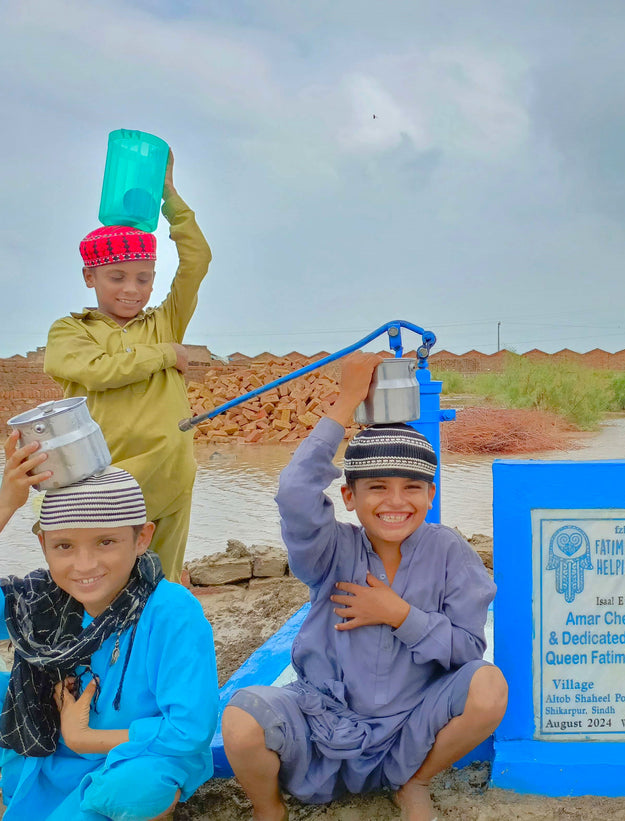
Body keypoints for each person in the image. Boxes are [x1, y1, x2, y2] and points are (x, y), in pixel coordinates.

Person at [221, 352, 508, 821]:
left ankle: (415, 781)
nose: (396, 502)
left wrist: (400, 616)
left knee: (489, 687)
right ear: (349, 497)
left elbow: (467, 651)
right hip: (323, 723)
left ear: (430, 494)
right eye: (377, 487)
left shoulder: (450, 551)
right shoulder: (329, 551)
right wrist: (347, 400)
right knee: (241, 716)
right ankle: (268, 809)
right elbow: (294, 493)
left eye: (412, 488)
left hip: (412, 727)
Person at [0, 431, 219, 820]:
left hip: (130, 760)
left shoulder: (170, 610)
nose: (84, 566)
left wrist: (84, 737)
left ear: (141, 538)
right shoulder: (41, 599)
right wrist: (6, 503)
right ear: (44, 546)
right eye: (64, 546)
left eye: (106, 542)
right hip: (53, 752)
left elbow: (190, 732)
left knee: (139, 789)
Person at [43, 148, 212, 583]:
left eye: (143, 278)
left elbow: (197, 262)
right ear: (89, 277)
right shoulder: (69, 331)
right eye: (117, 277)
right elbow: (100, 369)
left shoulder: (165, 321)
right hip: (105, 484)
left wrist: (171, 199)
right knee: (100, 584)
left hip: (172, 477)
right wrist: (165, 354)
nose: (132, 290)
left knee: (162, 585)